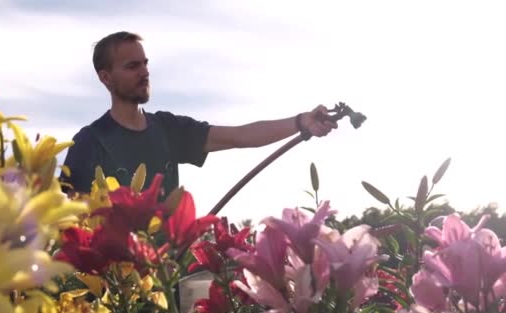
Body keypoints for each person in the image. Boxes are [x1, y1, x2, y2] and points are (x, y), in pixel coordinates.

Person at [59, 31, 338, 198]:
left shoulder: (168, 128)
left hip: (169, 280)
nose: (144, 72)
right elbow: (79, 222)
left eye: (145, 63)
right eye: (133, 66)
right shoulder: (90, 142)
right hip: (117, 291)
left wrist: (301, 122)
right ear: (105, 77)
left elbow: (240, 136)